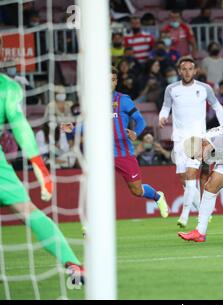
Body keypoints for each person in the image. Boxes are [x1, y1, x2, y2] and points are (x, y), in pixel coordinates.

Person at [0, 72, 84, 285]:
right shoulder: (8, 87)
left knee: (27, 210)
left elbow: (20, 124)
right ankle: (73, 264)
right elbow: (19, 123)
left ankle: (73, 264)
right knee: (27, 211)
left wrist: (39, 164)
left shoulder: (7, 86)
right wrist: (38, 164)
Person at [62, 67, 169, 218]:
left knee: (137, 190)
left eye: (112, 79)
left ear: (116, 82)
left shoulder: (123, 100)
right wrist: (73, 129)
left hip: (124, 152)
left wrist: (135, 133)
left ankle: (158, 197)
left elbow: (140, 121)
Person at [159, 57, 223, 228]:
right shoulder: (171, 89)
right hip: (179, 138)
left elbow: (217, 107)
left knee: (191, 175)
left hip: (197, 137)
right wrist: (162, 116)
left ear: (195, 71)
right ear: (179, 71)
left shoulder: (204, 89)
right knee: (184, 180)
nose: (187, 72)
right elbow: (166, 107)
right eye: (184, 69)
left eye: (190, 69)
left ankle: (185, 215)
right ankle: (205, 211)